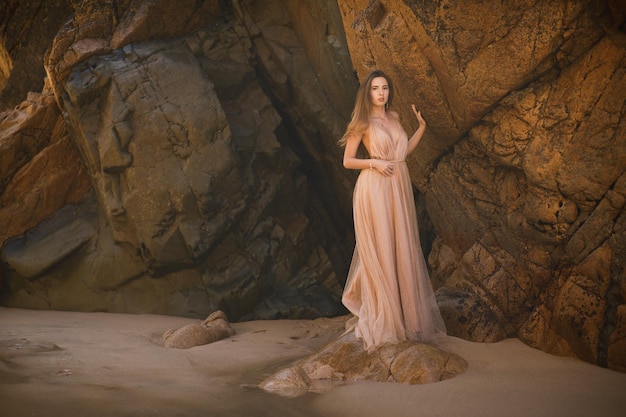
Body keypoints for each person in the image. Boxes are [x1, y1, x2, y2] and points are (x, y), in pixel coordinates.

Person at [339, 69, 446, 351]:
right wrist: (374, 162)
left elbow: (402, 154)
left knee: (402, 246)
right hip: (374, 188)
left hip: (398, 186)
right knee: (383, 246)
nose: (381, 93)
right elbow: (348, 161)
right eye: (375, 88)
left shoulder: (395, 117)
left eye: (384, 88)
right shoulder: (362, 122)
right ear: (367, 92)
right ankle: (386, 317)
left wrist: (421, 127)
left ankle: (406, 318)